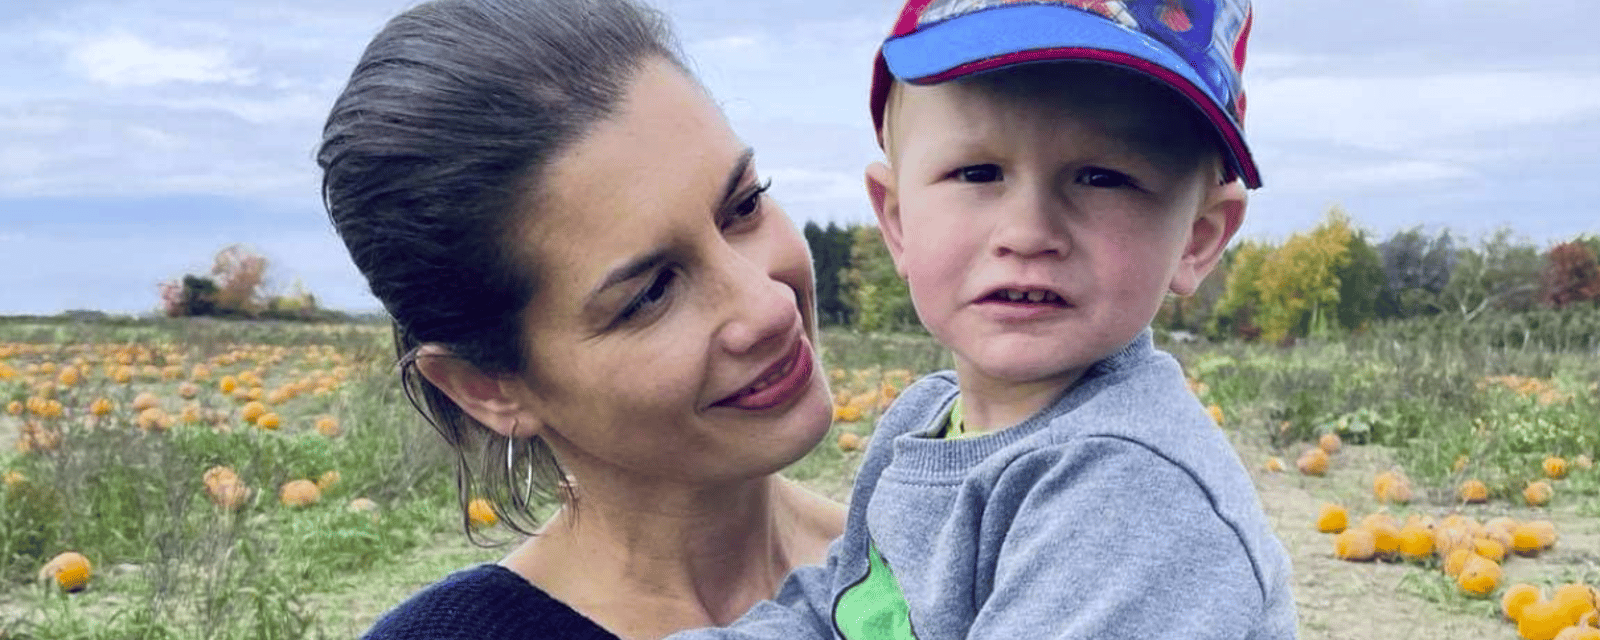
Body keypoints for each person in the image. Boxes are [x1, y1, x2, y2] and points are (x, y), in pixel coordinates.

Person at [670, 0, 1297, 638]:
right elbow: (840, 609)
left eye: (1102, 177)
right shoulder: (926, 419)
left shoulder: (1134, 494)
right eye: (978, 172)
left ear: (1196, 238)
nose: (1028, 233)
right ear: (897, 220)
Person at [316, 0, 846, 637]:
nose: (769, 306)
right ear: (486, 386)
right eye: (650, 293)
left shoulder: (952, 565)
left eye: (744, 206)